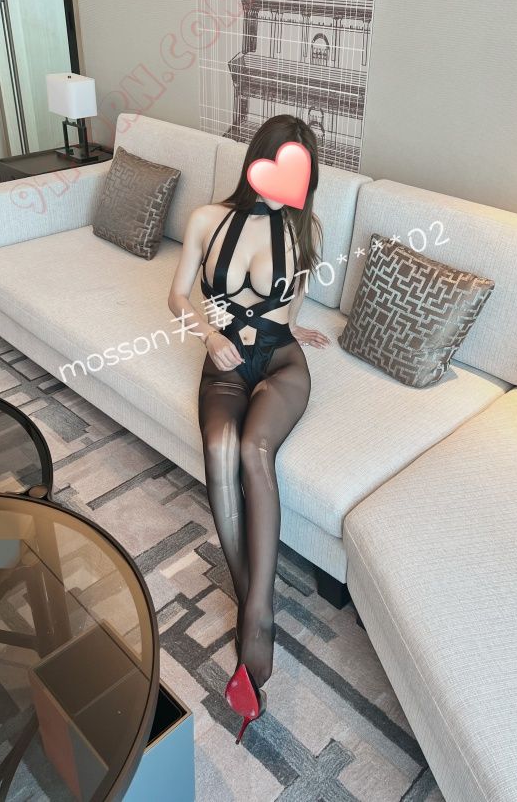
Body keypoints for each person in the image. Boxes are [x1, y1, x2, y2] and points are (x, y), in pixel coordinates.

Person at [168, 114, 330, 743]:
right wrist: (209, 336)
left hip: (283, 362)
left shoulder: (304, 227)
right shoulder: (208, 219)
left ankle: (255, 623)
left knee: (255, 450)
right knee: (218, 448)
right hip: (224, 361)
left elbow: (292, 300)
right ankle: (254, 605)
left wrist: (295, 325)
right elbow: (178, 295)